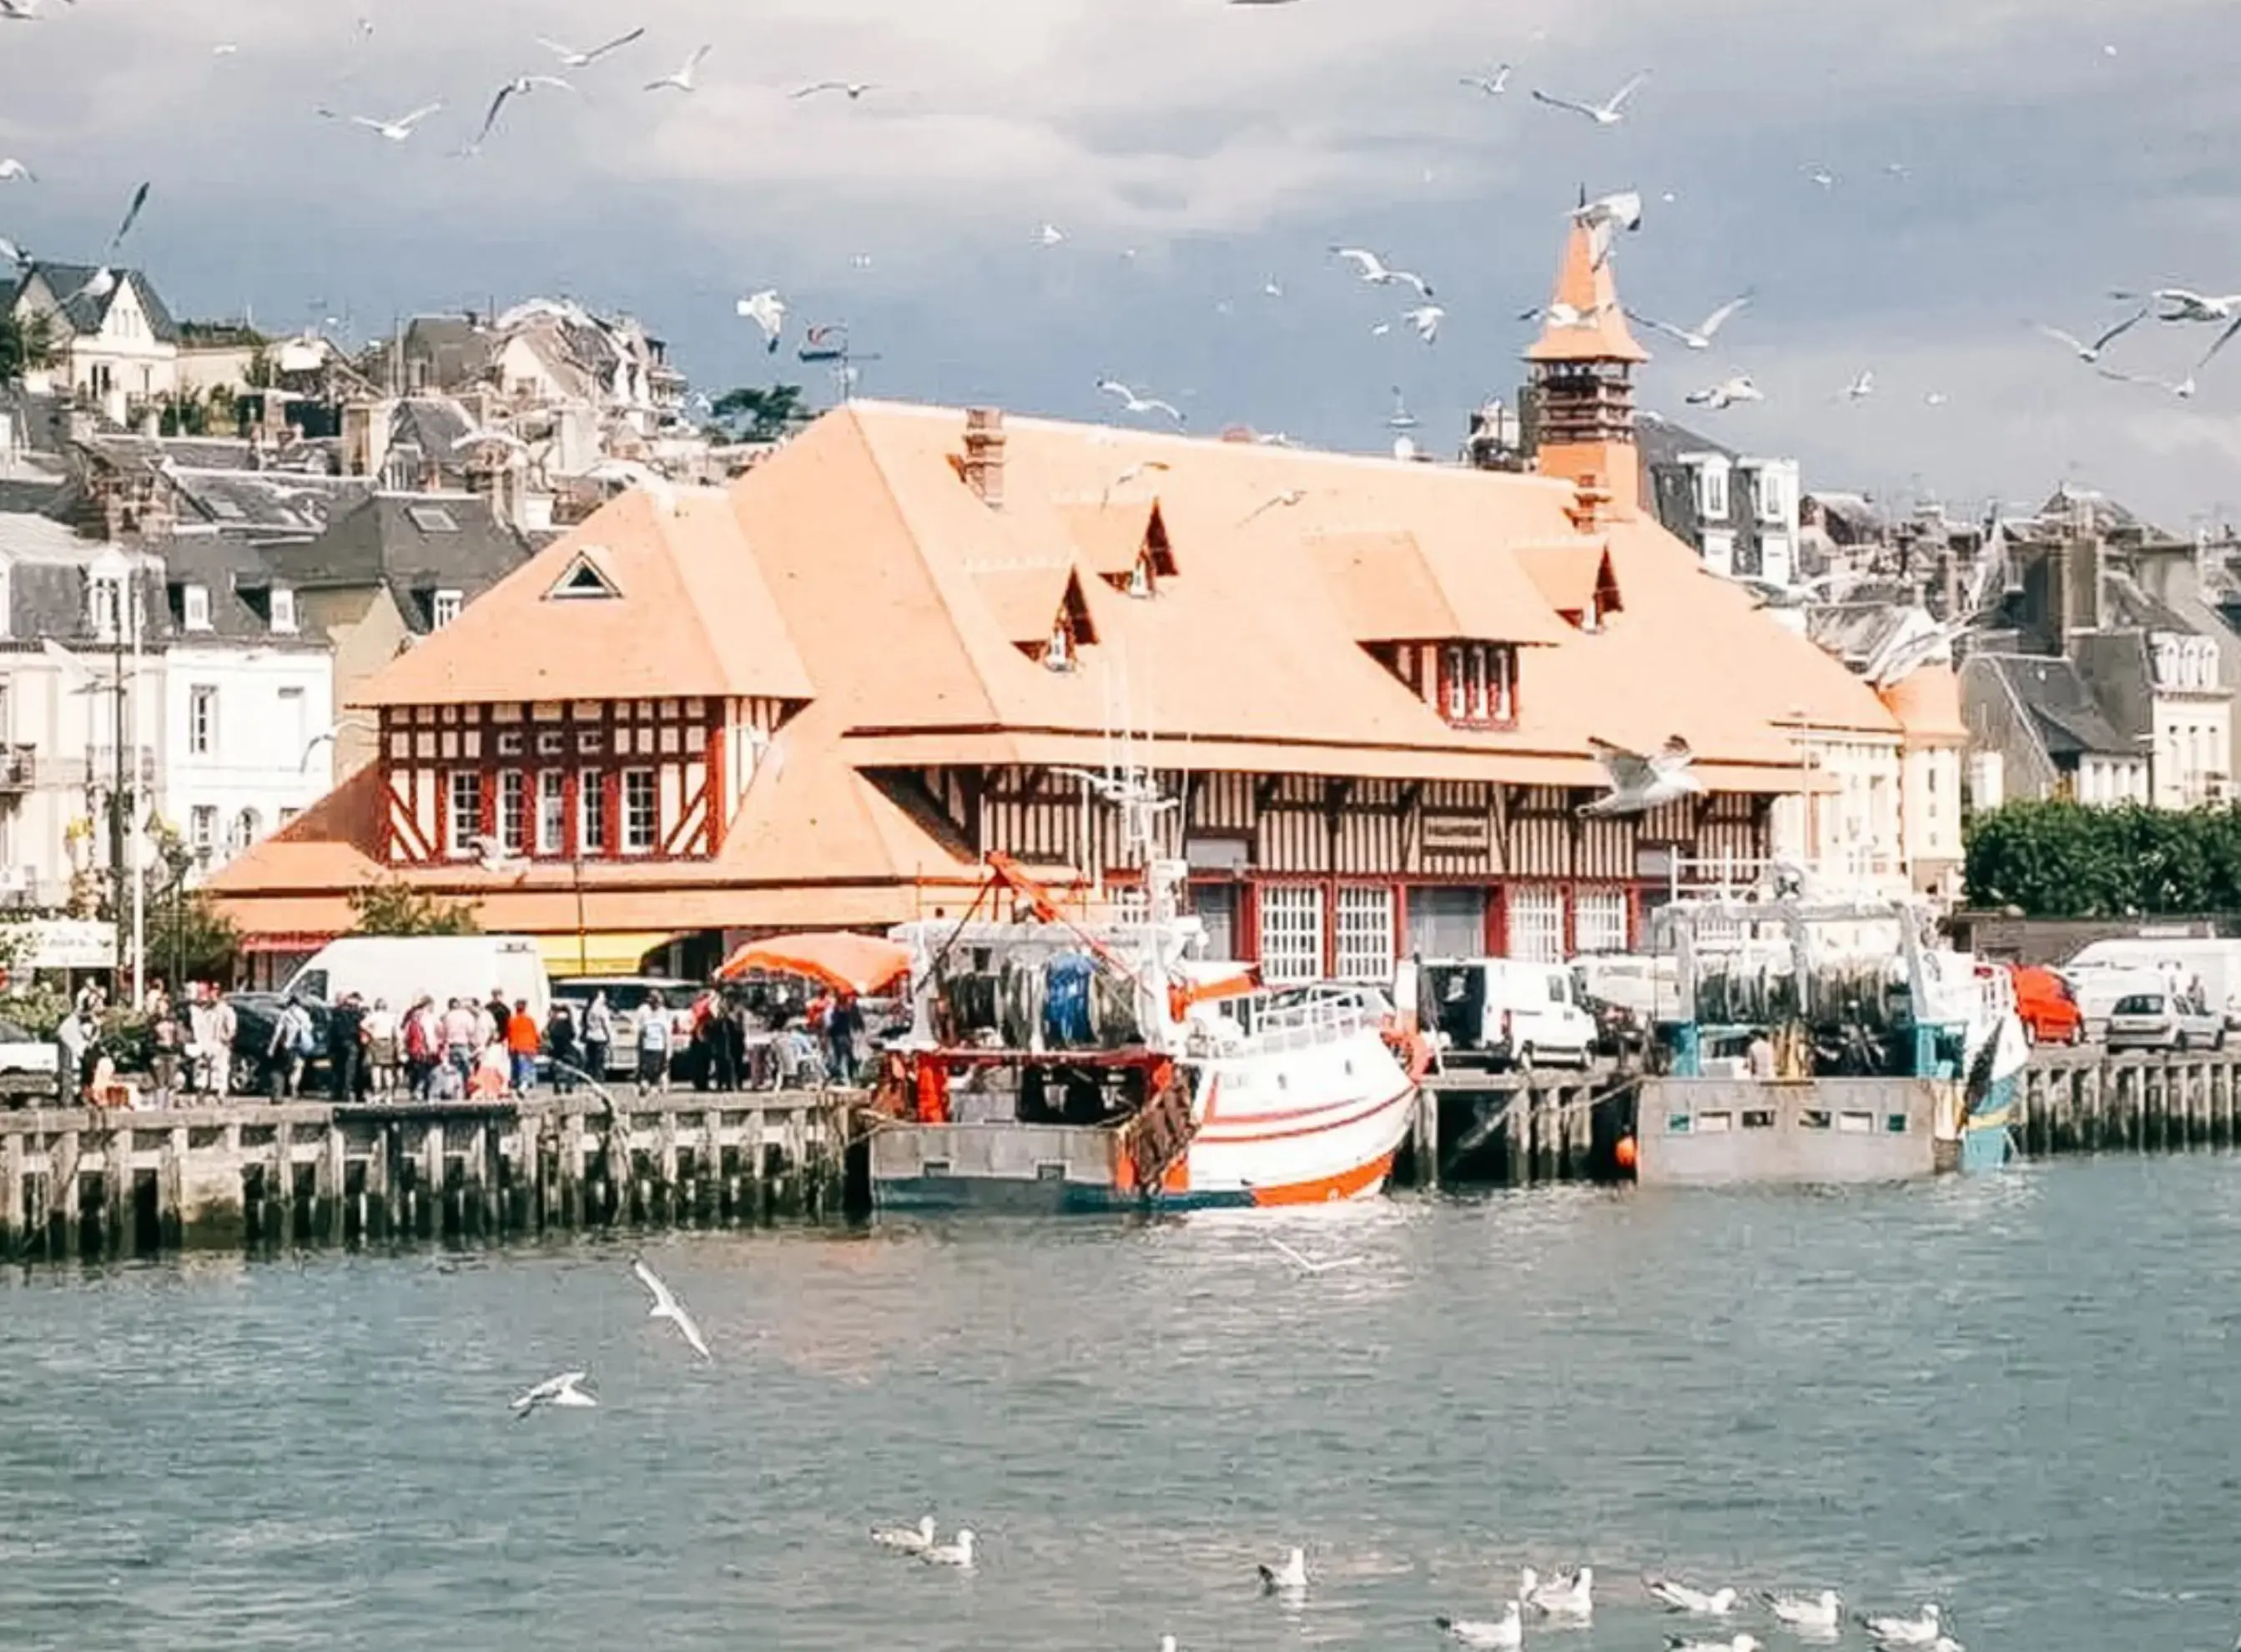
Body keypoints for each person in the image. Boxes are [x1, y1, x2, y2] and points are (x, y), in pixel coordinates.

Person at [328, 991, 367, 1101]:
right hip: (351, 1044)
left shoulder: (337, 1013)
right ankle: (349, 1093)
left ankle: (343, 1093)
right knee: (351, 1071)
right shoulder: (352, 1014)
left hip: (343, 1045)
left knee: (344, 1071)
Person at [149, 991, 184, 1108]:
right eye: (158, 1005)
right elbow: (149, 1039)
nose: (160, 1008)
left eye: (162, 1005)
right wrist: (152, 1052)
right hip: (159, 1053)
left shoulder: (174, 1020)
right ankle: (160, 1104)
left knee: (172, 1081)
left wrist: (178, 1049)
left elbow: (179, 1036)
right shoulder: (153, 1020)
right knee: (160, 1081)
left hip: (172, 1053)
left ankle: (169, 1104)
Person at [401, 996, 438, 1100]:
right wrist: (432, 1048)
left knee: (414, 1070)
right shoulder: (426, 1017)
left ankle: (413, 1090)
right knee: (424, 1070)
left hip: (413, 1049)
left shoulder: (412, 1016)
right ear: (428, 1005)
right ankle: (420, 1091)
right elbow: (428, 1033)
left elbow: (405, 1033)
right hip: (423, 1049)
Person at [636, 990, 672, 1095]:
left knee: (652, 1071)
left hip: (652, 1047)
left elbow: (641, 1033)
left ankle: (649, 1086)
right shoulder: (646, 1012)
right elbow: (667, 1035)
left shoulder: (661, 1013)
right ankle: (657, 1087)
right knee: (658, 1070)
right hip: (655, 1047)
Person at [826, 990, 863, 1088]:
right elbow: (858, 1023)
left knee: (842, 1057)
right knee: (846, 1057)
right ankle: (848, 1078)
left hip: (841, 1035)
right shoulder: (845, 1009)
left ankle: (846, 1077)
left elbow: (832, 1024)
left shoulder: (840, 1010)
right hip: (843, 1035)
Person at [441, 997, 479, 1090]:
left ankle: (453, 1088)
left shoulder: (447, 1016)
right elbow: (471, 1031)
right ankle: (465, 1089)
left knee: (453, 1069)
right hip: (463, 1045)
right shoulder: (467, 1016)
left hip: (450, 1046)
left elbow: (443, 1031)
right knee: (466, 1069)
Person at [364, 997, 399, 1099]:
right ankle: (389, 1094)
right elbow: (396, 1031)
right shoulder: (391, 1017)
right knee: (388, 1068)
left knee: (376, 1068)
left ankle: (377, 1092)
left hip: (376, 1042)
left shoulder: (374, 1016)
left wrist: (371, 1032)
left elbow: (362, 1024)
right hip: (388, 1043)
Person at [54, 1008, 89, 1107]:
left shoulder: (74, 1021)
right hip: (67, 1039)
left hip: (66, 1037)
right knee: (66, 1070)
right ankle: (66, 1099)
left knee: (66, 1069)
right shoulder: (77, 1023)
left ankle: (67, 1098)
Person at [506, 998, 541, 1095]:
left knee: (519, 1069)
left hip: (517, 1048)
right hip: (530, 1047)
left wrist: (510, 1047)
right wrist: (538, 1045)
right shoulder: (530, 1020)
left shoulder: (512, 1020)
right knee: (529, 1067)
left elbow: (509, 1035)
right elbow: (536, 1035)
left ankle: (521, 1086)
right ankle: (529, 1087)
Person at [582, 990, 614, 1087]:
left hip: (590, 1036)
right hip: (600, 1037)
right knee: (599, 1061)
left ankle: (590, 1078)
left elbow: (584, 1023)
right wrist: (610, 1038)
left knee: (591, 1060)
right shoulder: (602, 1009)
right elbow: (606, 1024)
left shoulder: (588, 1009)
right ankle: (599, 1079)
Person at [546, 1000, 580, 1094]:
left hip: (556, 1049)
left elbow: (548, 1033)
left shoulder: (553, 1024)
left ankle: (557, 1086)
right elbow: (573, 1035)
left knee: (555, 1068)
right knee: (573, 1066)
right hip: (567, 1048)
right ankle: (569, 1085)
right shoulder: (567, 1023)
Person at [471, 1034, 511, 1099]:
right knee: (487, 1087)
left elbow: (475, 1055)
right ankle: (488, 1095)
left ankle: (488, 1095)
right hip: (489, 1069)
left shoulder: (498, 1047)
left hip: (490, 1069)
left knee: (487, 1087)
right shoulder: (495, 1047)